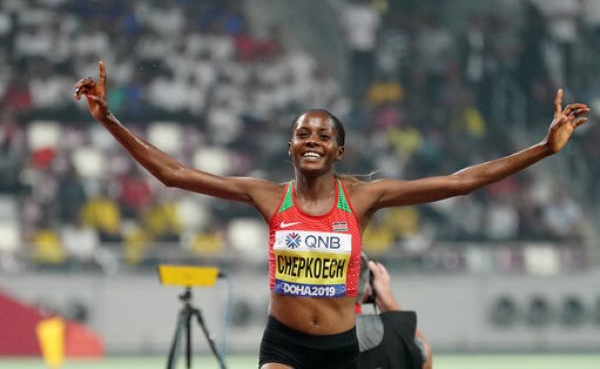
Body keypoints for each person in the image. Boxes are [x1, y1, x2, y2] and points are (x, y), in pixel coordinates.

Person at [74, 61, 589, 369]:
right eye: (303, 134)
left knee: (416, 353)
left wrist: (543, 149)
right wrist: (109, 119)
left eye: (323, 135)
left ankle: (410, 344)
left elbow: (460, 182)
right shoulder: (267, 197)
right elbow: (173, 173)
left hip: (342, 349)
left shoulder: (363, 198)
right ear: (291, 147)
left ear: (339, 151)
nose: (312, 141)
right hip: (285, 345)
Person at [356, 254, 432, 369]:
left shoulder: (320, 329)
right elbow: (424, 356)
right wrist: (388, 301)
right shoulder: (390, 331)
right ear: (368, 289)